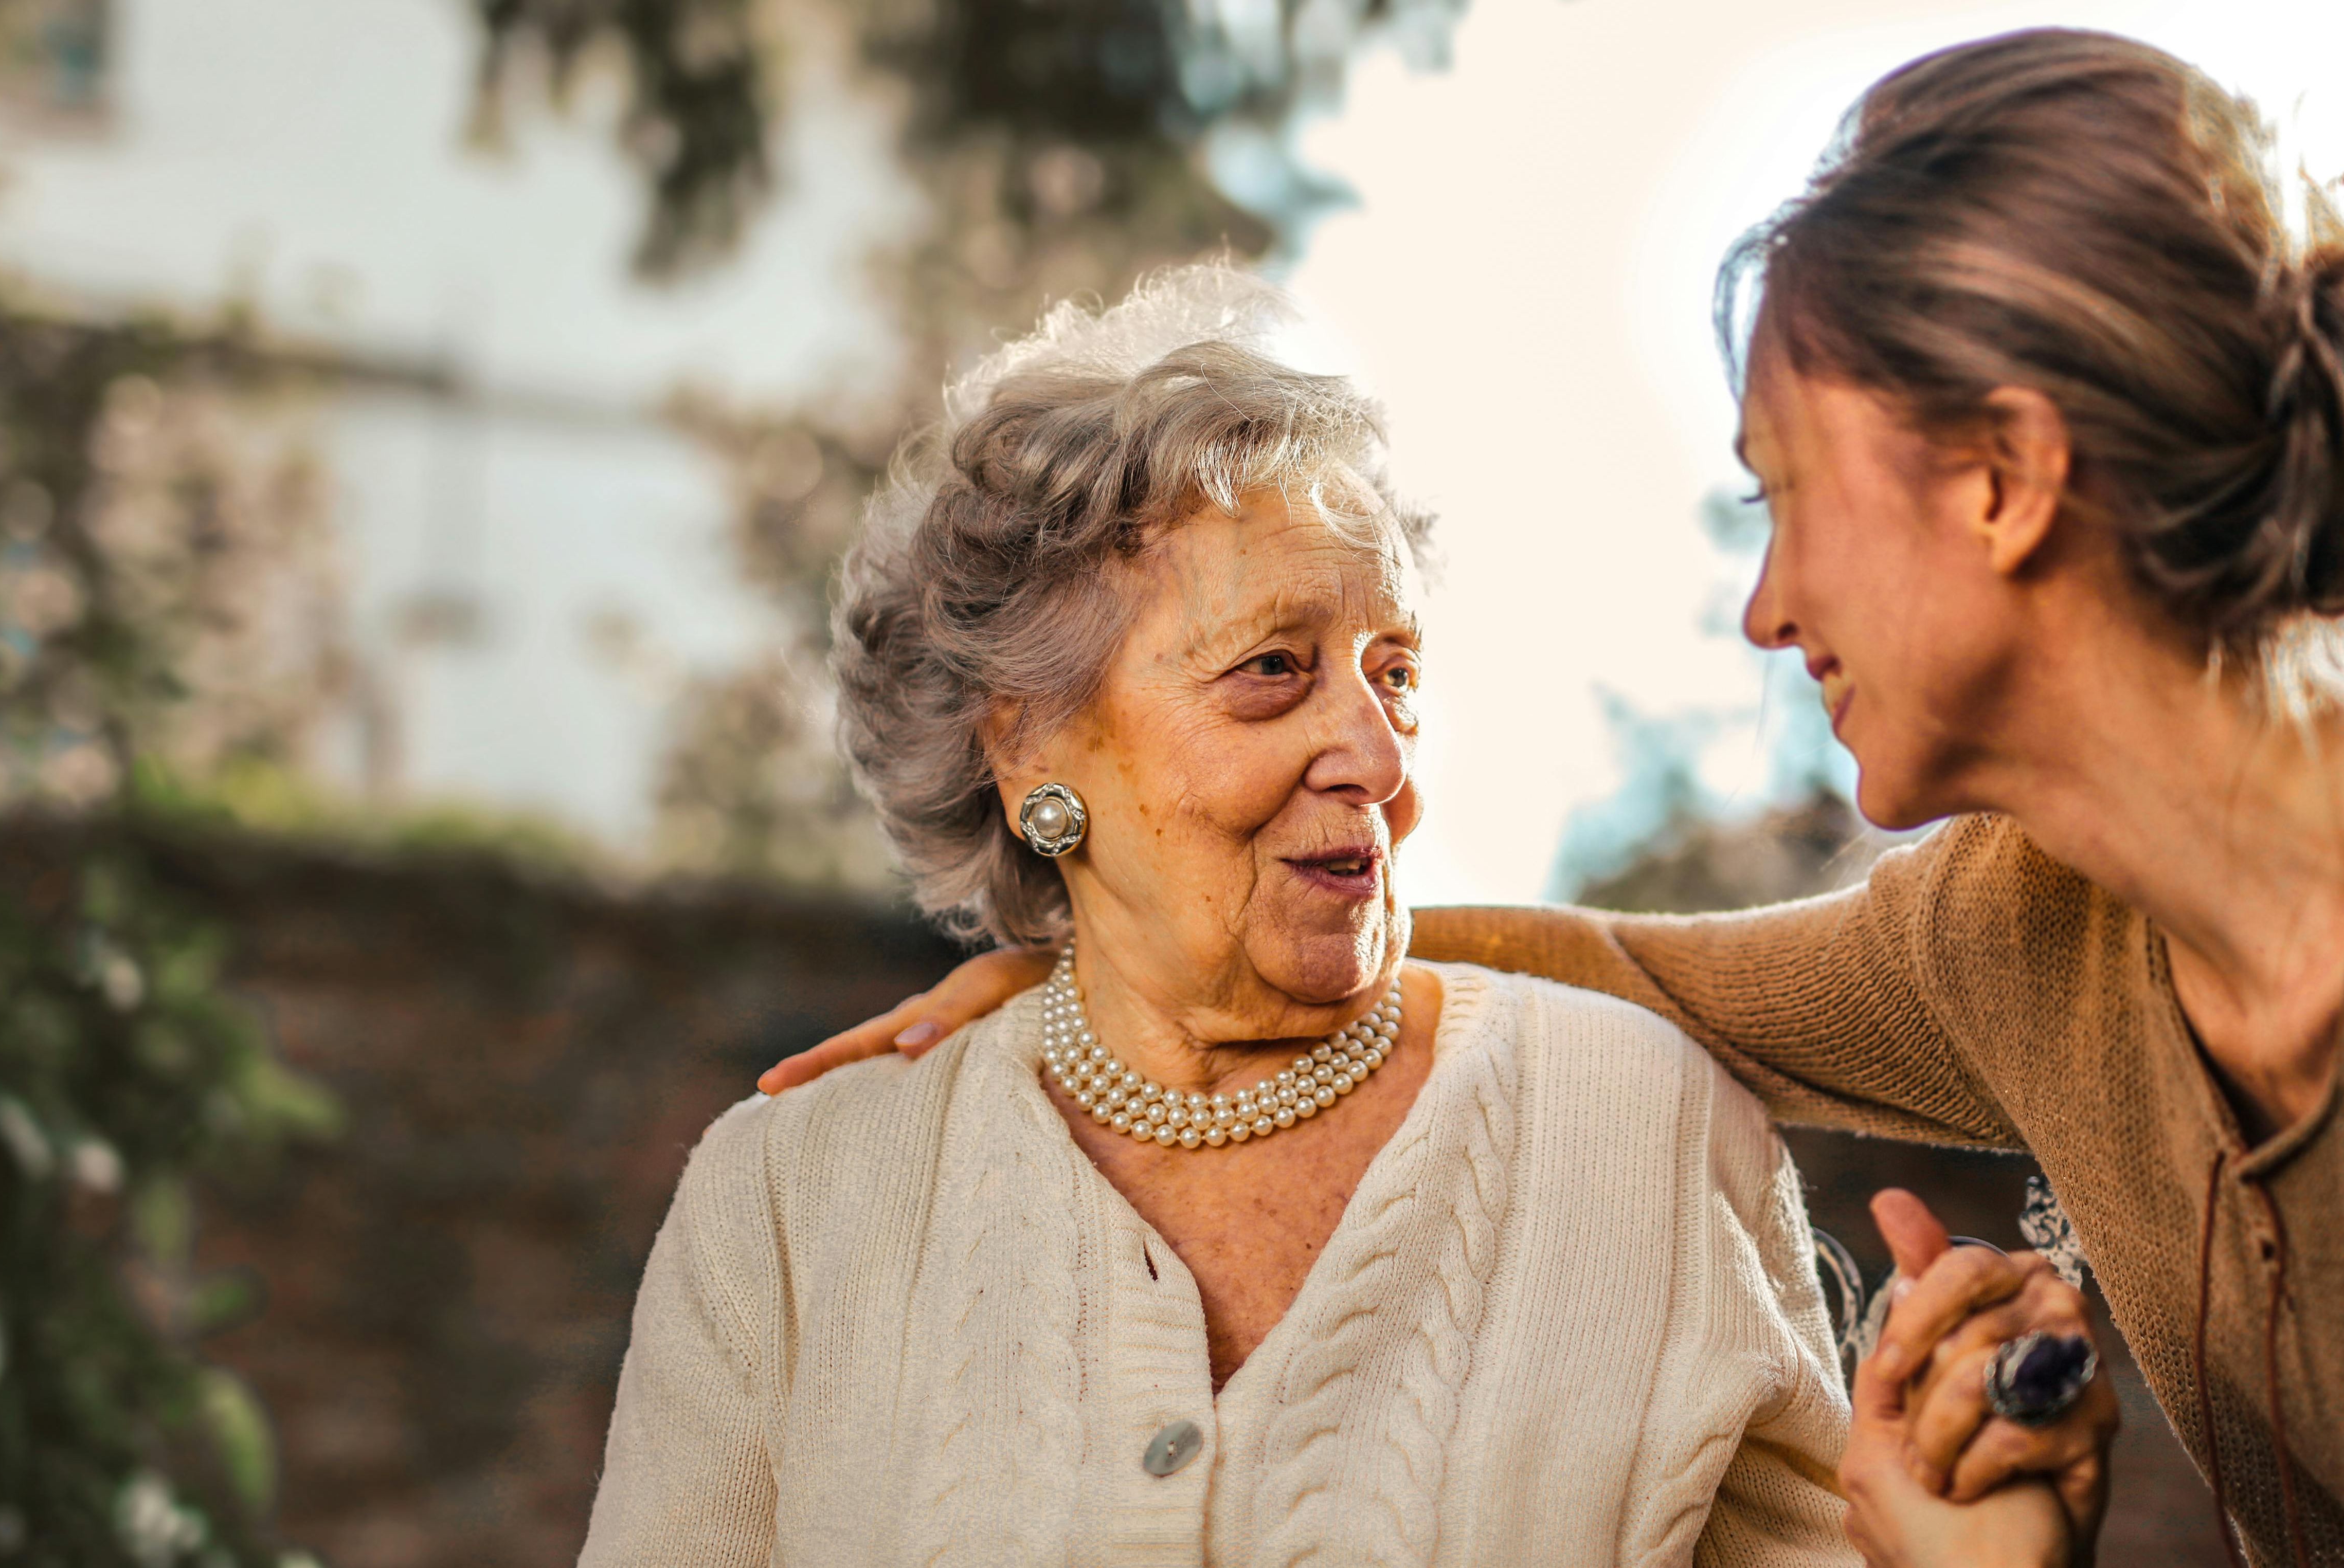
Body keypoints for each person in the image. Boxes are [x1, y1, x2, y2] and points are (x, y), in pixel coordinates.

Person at [763, 28, 2344, 1568]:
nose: (1766, 607)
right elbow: (1618, 972)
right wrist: (1120, 969)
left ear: (2002, 475)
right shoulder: (2038, 924)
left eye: (1787, 501)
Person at [583, 268, 1988, 1565]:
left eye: (1394, 673)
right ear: (1028, 752)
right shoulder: (789, 1202)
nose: (1378, 760)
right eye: (1270, 669)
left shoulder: (1644, 1130)